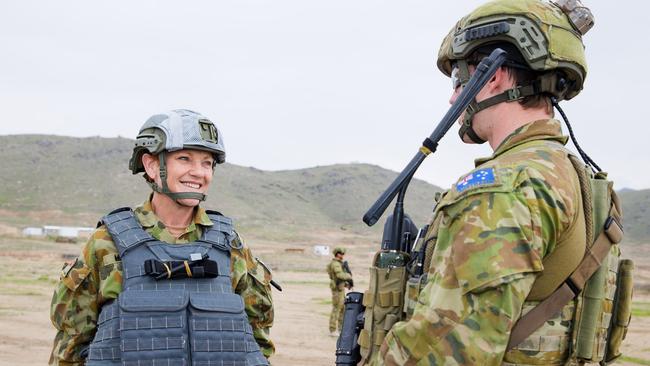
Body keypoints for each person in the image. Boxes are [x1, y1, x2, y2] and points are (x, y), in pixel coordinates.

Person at [372, 0, 610, 365]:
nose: (454, 97)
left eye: (457, 79)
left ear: (492, 76)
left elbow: (447, 350)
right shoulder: (566, 172)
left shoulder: (504, 187)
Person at [49, 109, 274, 365]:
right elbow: (72, 344)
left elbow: (257, 339)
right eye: (185, 158)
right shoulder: (106, 243)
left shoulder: (231, 245)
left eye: (207, 163)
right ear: (152, 165)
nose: (199, 172)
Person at [327, 246, 353, 336]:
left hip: (341, 288)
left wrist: (346, 284)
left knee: (342, 309)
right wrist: (348, 276)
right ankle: (333, 329)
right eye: (341, 254)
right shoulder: (335, 264)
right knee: (336, 309)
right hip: (337, 289)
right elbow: (339, 275)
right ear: (337, 254)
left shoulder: (338, 263)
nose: (342, 255)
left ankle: (340, 329)